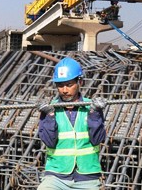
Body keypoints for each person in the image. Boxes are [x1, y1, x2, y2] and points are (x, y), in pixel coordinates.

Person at [37, 57, 107, 190]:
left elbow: (97, 139)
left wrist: (94, 114)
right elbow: (49, 142)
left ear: (80, 82)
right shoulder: (50, 109)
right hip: (56, 176)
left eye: (69, 85)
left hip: (87, 176)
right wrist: (50, 116)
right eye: (60, 85)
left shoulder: (90, 107)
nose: (64, 90)